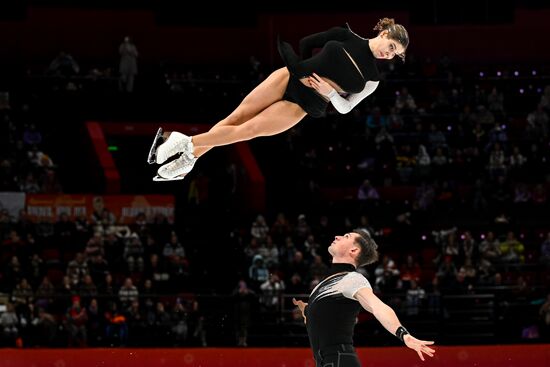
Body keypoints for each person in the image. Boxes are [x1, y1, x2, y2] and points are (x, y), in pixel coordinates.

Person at [147, 18, 409, 181]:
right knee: (233, 119)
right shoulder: (346, 34)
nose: (389, 55)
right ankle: (185, 161)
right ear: (385, 34)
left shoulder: (372, 79)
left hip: (307, 103)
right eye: (392, 48)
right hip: (288, 77)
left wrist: (328, 92)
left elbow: (346, 107)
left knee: (245, 131)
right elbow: (307, 42)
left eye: (395, 55)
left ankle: (182, 143)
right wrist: (302, 68)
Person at [292, 229, 435, 366]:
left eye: (346, 236)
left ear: (354, 250)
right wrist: (307, 310)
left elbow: (377, 306)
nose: (337, 236)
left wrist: (403, 334)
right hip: (325, 362)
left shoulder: (352, 279)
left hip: (339, 360)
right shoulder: (321, 285)